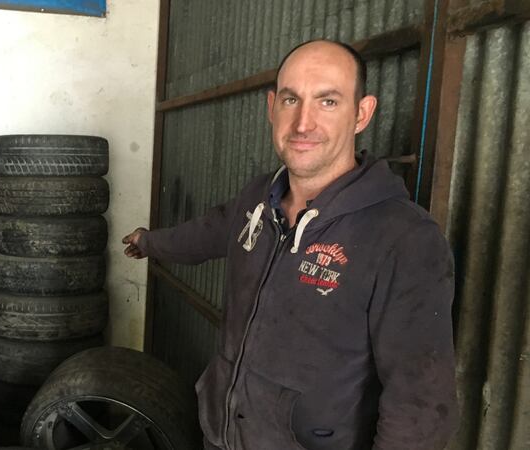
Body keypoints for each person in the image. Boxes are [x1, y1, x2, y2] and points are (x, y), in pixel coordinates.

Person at [122, 40, 458, 450]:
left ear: (362, 114)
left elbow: (420, 405)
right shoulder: (258, 200)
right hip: (222, 437)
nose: (303, 123)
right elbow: (205, 233)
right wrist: (149, 242)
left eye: (328, 102)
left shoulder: (404, 239)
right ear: (271, 107)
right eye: (291, 99)